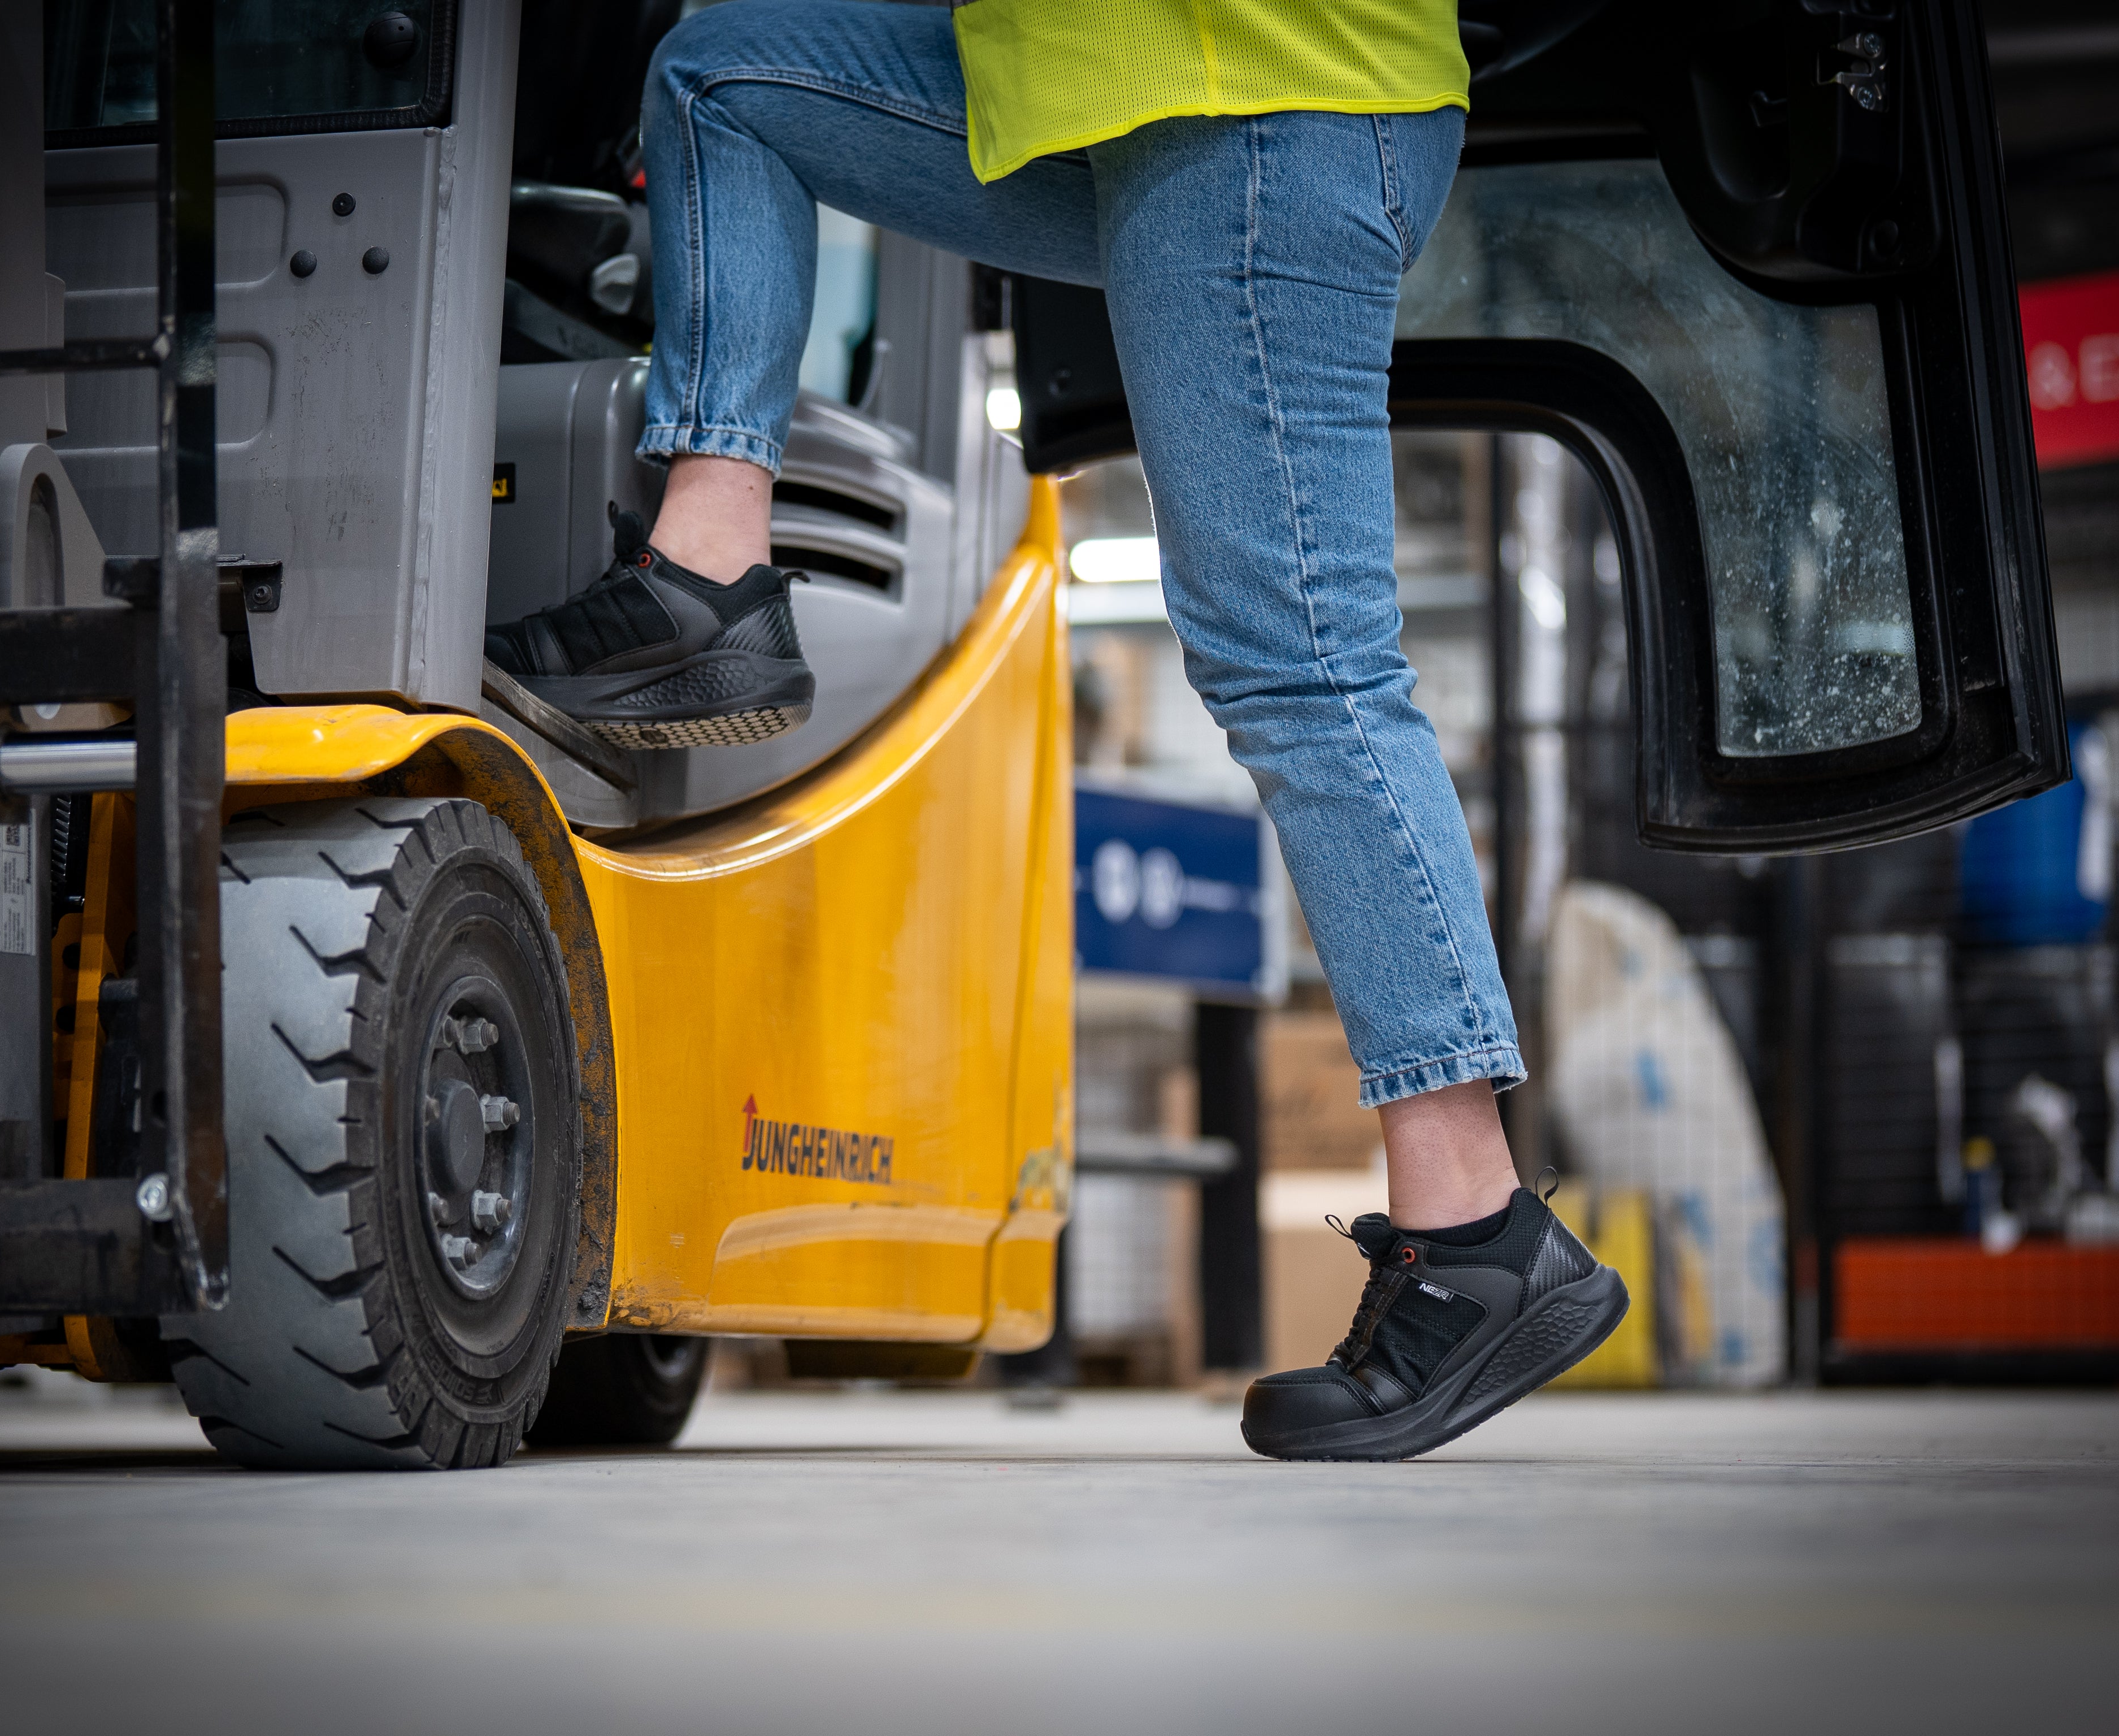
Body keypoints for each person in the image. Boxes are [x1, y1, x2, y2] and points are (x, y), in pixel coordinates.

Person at [486, 0, 1627, 1460]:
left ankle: (1472, 1223)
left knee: (1308, 668)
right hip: (1102, 82)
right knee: (728, 84)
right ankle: (707, 577)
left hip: (1257, 93)